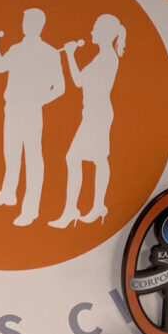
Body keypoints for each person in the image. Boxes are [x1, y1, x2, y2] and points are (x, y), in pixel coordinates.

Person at [0, 8, 65, 226]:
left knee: (32, 157)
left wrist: (39, 100)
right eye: (24, 20)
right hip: (12, 109)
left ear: (39, 25)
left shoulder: (49, 53)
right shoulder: (16, 49)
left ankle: (30, 209)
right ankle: (8, 194)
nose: (25, 24)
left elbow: (60, 87)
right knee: (11, 153)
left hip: (32, 111)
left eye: (29, 21)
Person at [50, 14, 126, 227]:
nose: (91, 32)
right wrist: (69, 56)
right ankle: (91, 207)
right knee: (93, 159)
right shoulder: (102, 56)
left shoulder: (106, 58)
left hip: (97, 114)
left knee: (79, 158)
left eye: (94, 28)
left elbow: (79, 81)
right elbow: (81, 81)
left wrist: (69, 55)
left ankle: (79, 209)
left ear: (103, 33)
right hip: (94, 112)